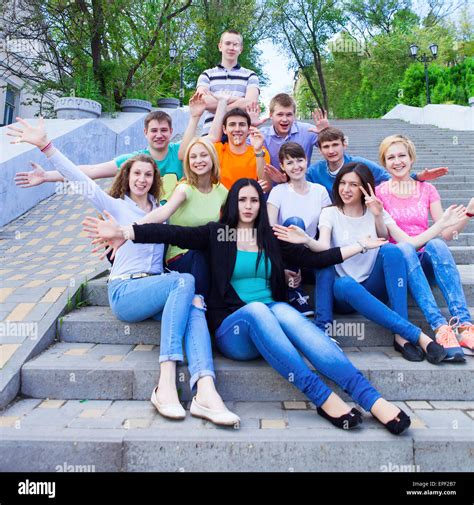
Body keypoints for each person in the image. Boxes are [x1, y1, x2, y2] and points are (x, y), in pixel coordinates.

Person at [84, 179, 430, 436]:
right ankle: (323, 397)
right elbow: (167, 231)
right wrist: (125, 230)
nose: (249, 205)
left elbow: (319, 258)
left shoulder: (272, 240)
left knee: (284, 312)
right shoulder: (216, 234)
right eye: (243, 199)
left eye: (254, 200)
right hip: (234, 330)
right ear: (234, 203)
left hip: (273, 323)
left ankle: (371, 399)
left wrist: (360, 245)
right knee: (263, 310)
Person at [7, 116, 240, 427]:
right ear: (126, 176)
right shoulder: (115, 207)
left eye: (148, 174)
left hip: (157, 289)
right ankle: (166, 381)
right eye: (136, 173)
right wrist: (46, 147)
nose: (142, 179)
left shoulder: (161, 212)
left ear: (154, 179)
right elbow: (80, 178)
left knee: (196, 304)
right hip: (126, 292)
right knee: (186, 282)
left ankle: (205, 391)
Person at [273, 162, 466, 363]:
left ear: (365, 187)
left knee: (392, 250)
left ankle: (400, 337)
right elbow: (322, 247)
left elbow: (410, 244)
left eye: (354, 185)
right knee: (346, 283)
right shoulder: (330, 213)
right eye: (343, 183)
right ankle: (415, 334)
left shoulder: (377, 212)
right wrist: (306, 239)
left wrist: (441, 224)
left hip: (372, 285)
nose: (346, 189)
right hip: (343, 293)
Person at [376, 134, 474, 358]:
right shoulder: (380, 192)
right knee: (406, 248)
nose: (397, 161)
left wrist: (469, 212)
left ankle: (464, 326)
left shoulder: (427, 190)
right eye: (391, 157)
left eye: (402, 155)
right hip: (400, 265)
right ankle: (440, 327)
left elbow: (447, 232)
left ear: (411, 159)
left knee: (438, 244)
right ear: (384, 163)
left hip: (424, 263)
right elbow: (391, 237)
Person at [14, 94, 208, 202]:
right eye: (154, 130)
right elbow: (92, 170)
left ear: (172, 131)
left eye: (164, 130)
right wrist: (47, 176)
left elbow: (202, 141)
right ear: (145, 133)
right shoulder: (136, 160)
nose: (159, 135)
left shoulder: (180, 152)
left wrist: (195, 116)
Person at [267, 142, 332, 316]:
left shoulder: (320, 191)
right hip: (284, 253)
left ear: (306, 161)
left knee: (327, 264)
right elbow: (269, 229)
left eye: (299, 160)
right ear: (282, 166)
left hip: (309, 249)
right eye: (289, 163)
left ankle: (324, 323)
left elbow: (326, 228)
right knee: (295, 222)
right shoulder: (278, 191)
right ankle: (293, 291)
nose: (296, 166)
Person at [305, 127, 448, 199]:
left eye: (335, 145)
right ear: (321, 150)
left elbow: (389, 179)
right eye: (326, 147)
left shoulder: (359, 164)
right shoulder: (314, 172)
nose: (331, 150)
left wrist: (417, 177)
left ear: (344, 145)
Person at [197, 29, 260, 134]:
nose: (231, 48)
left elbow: (250, 103)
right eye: (227, 43)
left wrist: (221, 104)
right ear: (220, 46)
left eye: (235, 44)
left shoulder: (251, 76)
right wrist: (239, 100)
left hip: (239, 134)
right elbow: (203, 102)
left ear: (241, 49)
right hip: (210, 136)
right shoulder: (207, 75)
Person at [206, 94, 270, 190]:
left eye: (242, 125)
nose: (237, 129)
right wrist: (222, 103)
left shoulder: (261, 151)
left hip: (248, 203)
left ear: (248, 129)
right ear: (224, 129)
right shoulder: (216, 150)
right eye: (232, 124)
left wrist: (258, 151)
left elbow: (266, 187)